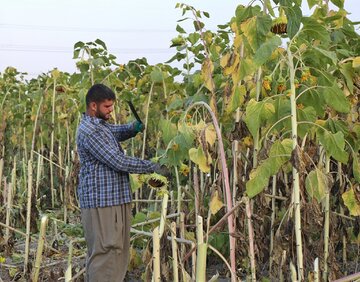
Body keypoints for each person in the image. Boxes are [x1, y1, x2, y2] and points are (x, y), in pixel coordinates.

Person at [76, 83, 166, 281]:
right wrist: (151, 166)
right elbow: (118, 161)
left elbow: (112, 132)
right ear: (93, 106)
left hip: (113, 199)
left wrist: (131, 129)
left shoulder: (99, 126)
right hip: (103, 202)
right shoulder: (91, 132)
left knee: (116, 250)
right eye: (107, 107)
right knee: (105, 251)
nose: (111, 111)